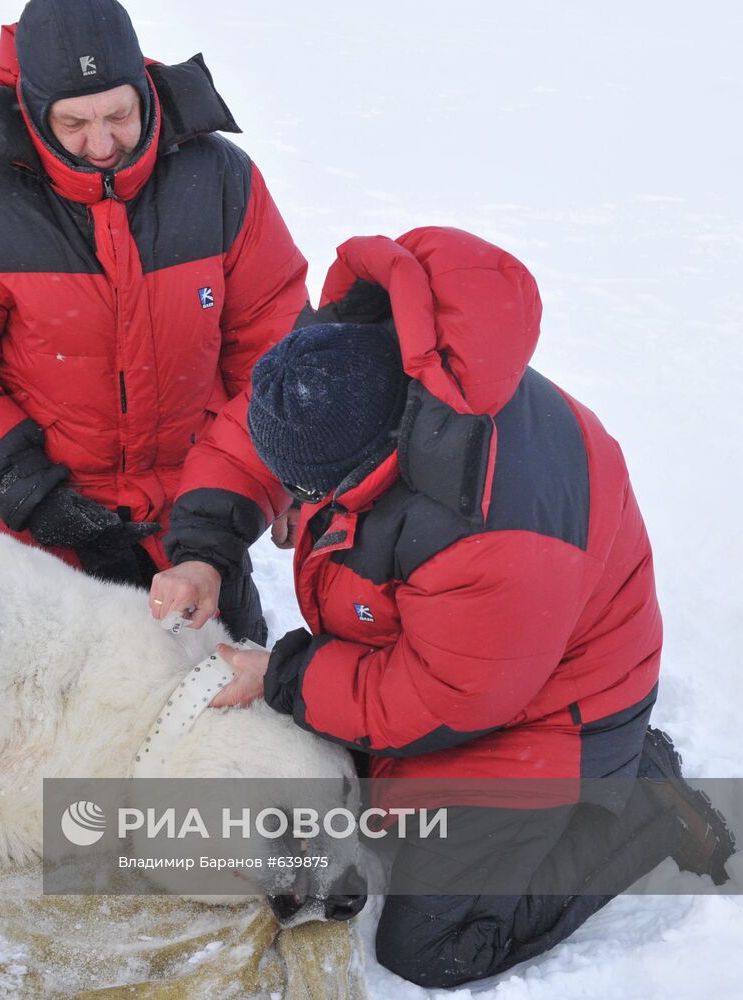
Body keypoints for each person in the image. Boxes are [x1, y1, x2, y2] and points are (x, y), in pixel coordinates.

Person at [149, 226, 736, 987]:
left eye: (306, 495)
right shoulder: (356, 364)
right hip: (465, 658)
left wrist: (285, 675)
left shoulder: (492, 529)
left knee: (428, 944)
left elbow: (445, 698)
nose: (291, 509)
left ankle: (645, 806)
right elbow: (252, 435)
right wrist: (202, 548)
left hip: (550, 715)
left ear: (370, 464)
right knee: (325, 784)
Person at [0, 0, 307, 644]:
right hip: (39, 536)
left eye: (119, 115)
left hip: (196, 524)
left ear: (146, 91)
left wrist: (240, 504)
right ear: (32, 111)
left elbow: (277, 353)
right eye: (72, 123)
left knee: (226, 711)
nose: (101, 145)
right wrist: (35, 499)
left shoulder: (218, 180)